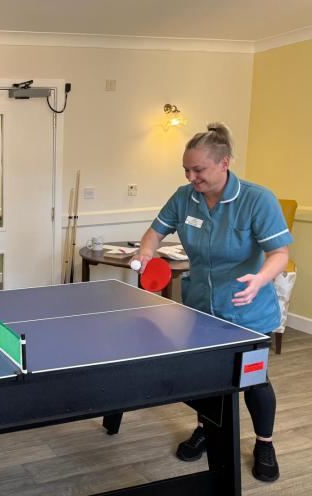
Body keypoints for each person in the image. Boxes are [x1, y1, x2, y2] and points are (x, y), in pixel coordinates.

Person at [132, 123, 291, 483]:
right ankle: (207, 428)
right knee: (207, 378)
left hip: (245, 311)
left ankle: (264, 443)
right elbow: (155, 231)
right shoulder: (184, 196)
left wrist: (260, 279)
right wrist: (144, 254)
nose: (191, 177)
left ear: (224, 163)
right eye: (186, 170)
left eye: (198, 170)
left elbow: (279, 253)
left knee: (253, 380)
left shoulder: (257, 198)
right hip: (200, 309)